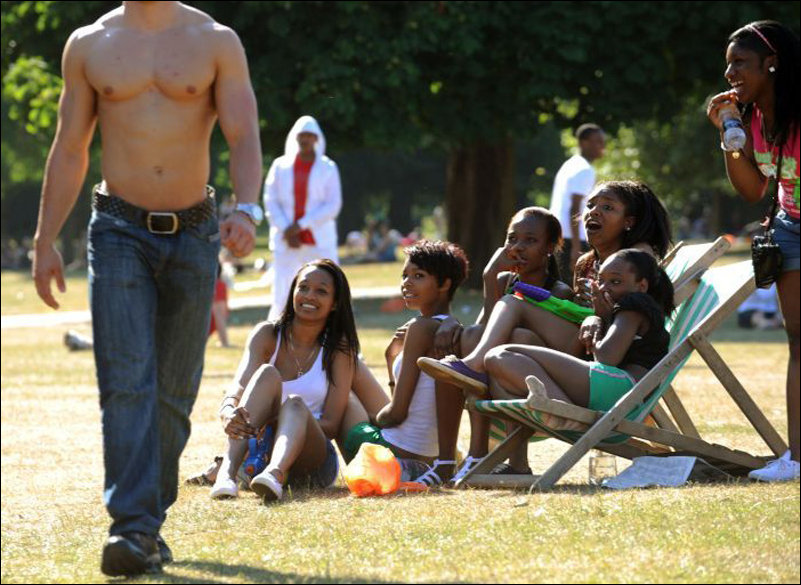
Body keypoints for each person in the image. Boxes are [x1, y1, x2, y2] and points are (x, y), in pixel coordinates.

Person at [30, 2, 262, 577]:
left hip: (195, 232)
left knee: (173, 393)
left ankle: (146, 523)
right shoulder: (90, 43)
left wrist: (248, 209)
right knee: (127, 383)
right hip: (117, 230)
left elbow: (243, 133)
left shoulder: (216, 40)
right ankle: (131, 527)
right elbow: (70, 146)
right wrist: (44, 239)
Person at [418, 181, 671, 476]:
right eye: (591, 205)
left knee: (512, 306)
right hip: (586, 357)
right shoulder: (587, 263)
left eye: (607, 207)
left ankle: (482, 374)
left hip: (602, 364)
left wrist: (595, 318)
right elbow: (584, 314)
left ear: (629, 221)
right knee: (511, 340)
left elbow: (634, 320)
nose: (594, 212)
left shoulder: (637, 259)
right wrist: (490, 279)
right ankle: (513, 462)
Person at [706, 20, 800, 481]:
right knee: (798, 340)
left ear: (772, 64)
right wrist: (729, 134)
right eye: (728, 65)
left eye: (740, 63)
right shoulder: (754, 120)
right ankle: (797, 459)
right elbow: (752, 189)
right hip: (790, 228)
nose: (730, 74)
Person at [425, 207, 572, 484]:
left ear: (549, 248)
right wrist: (490, 277)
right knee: (467, 337)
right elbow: (483, 331)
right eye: (512, 239)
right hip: (496, 374)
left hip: (540, 384)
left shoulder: (558, 292)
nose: (518, 247)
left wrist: (490, 277)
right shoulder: (504, 281)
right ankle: (471, 454)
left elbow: (532, 345)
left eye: (530, 240)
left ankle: (513, 461)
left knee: (517, 338)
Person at [211, 259, 359, 502]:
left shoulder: (340, 349)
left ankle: (274, 474)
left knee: (294, 404)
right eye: (303, 287)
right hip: (260, 451)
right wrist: (227, 411)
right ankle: (226, 475)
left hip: (313, 462)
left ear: (334, 303)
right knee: (266, 374)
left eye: (321, 291)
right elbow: (240, 385)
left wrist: (282, 420)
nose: (309, 296)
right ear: (293, 292)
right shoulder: (267, 334)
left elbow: (332, 425)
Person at [484, 249, 674, 427]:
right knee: (498, 360)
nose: (603, 288)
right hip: (619, 394)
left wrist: (600, 317)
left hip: (622, 390)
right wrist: (599, 318)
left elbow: (606, 358)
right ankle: (561, 409)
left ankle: (565, 412)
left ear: (641, 286)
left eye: (615, 282)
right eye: (600, 281)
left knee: (500, 355)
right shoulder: (632, 310)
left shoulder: (634, 304)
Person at [338, 241, 469, 479]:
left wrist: (374, 420)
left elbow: (397, 414)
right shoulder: (451, 329)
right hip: (430, 454)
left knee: (346, 404)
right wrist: (391, 358)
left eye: (418, 276)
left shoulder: (421, 328)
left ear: (445, 284)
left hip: (399, 453)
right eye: (404, 275)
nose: (407, 283)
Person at [264, 115, 342, 321]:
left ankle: (333, 333)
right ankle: (277, 332)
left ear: (317, 138)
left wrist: (300, 225)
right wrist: (286, 228)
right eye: (302, 135)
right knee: (282, 291)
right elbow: (270, 200)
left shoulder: (328, 167)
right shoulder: (280, 166)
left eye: (309, 135)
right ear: (295, 137)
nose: (305, 139)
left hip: (319, 239)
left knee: (329, 287)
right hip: (286, 239)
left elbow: (333, 205)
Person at [549, 123, 606, 284]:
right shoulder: (584, 169)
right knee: (570, 288)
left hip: (559, 234)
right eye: (598, 141)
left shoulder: (570, 164)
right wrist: (576, 248)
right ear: (583, 143)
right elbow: (574, 207)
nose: (602, 146)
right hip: (571, 239)